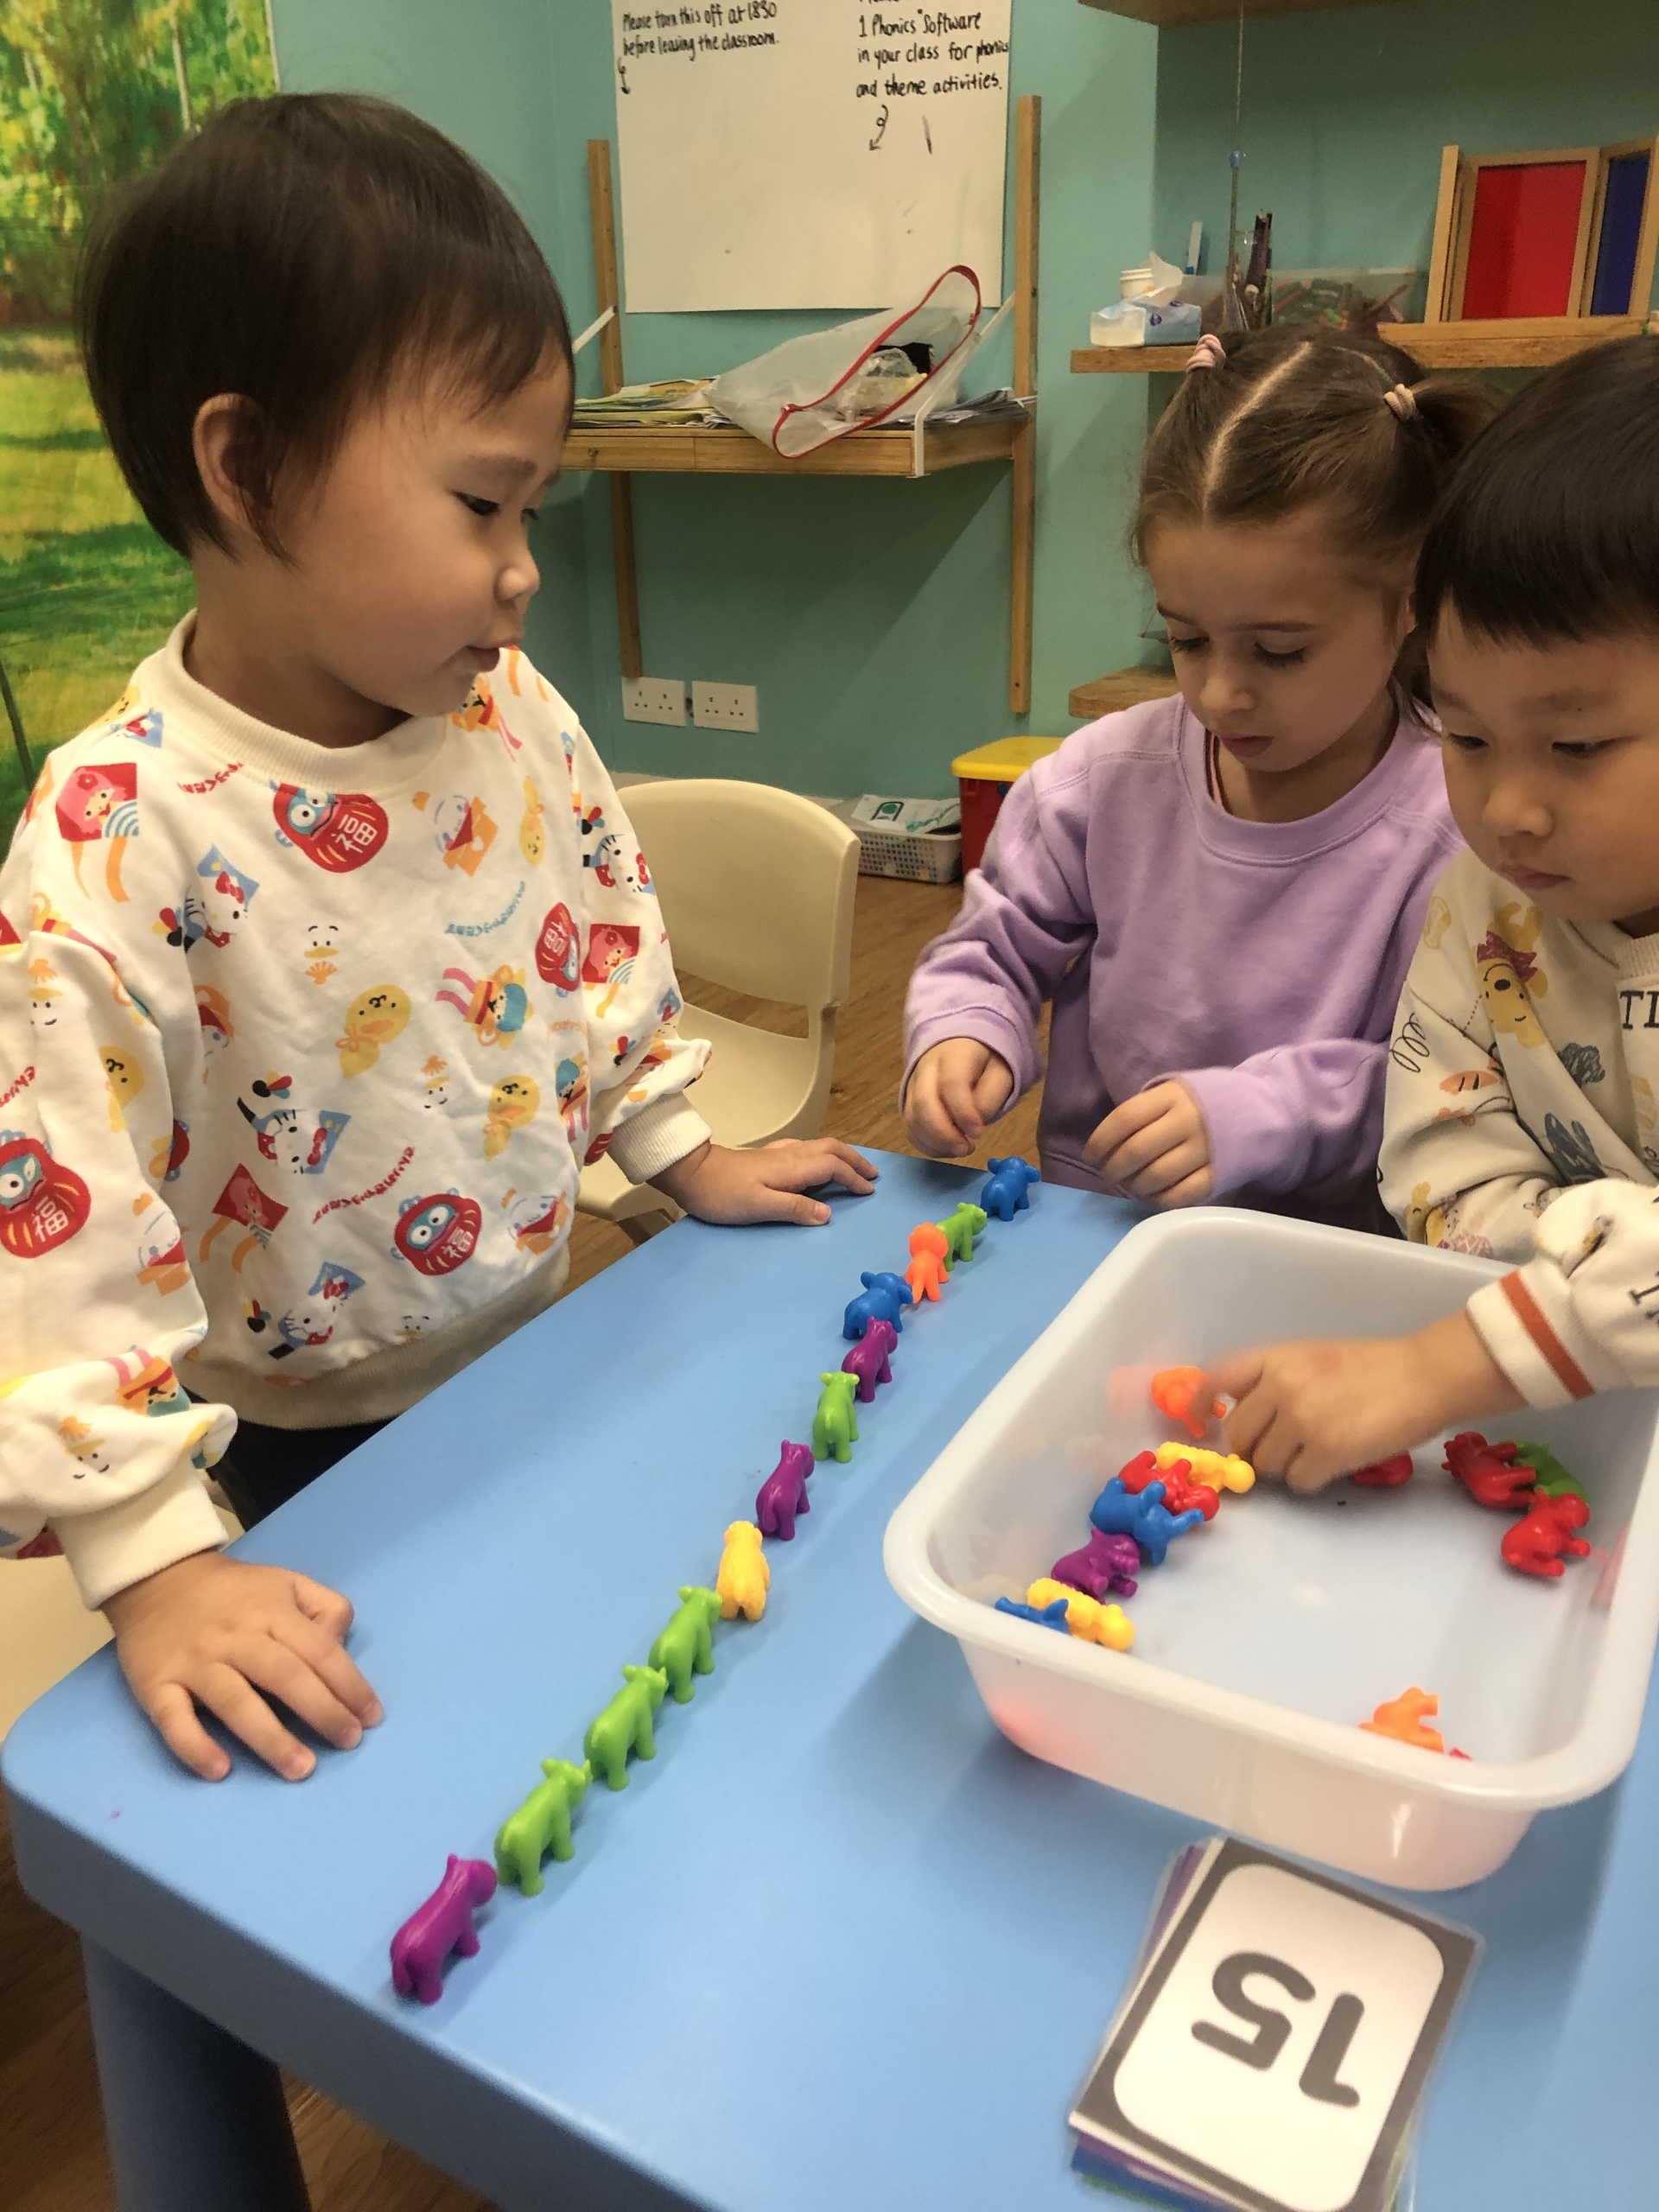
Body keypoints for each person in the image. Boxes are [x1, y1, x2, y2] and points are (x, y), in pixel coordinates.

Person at [0, 95, 874, 1783]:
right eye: (484, 504)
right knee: (406, 1777)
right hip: (292, 1439)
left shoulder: (507, 713)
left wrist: (675, 1146)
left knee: (612, 1710)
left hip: (549, 1335)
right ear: (247, 470)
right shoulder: (115, 834)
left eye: (535, 511)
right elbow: (54, 1222)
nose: (523, 572)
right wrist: (157, 1564)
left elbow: (592, 940)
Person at [903, 327, 1498, 1230]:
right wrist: (963, 1026)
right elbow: (992, 948)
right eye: (1184, 638)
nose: (1220, 692)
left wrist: (1270, 1114)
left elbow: (1461, 1081)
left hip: (1311, 1255)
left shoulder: (1462, 826)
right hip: (1099, 1227)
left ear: (1410, 600)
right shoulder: (1101, 781)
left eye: (1279, 650)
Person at [1214, 336, 1659, 1489]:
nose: (1507, 810)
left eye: (1576, 746)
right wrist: (1591, 1286)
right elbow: (1441, 1177)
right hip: (1581, 1421)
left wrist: (1443, 1368)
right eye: (1466, 736)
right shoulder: (1487, 907)